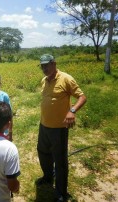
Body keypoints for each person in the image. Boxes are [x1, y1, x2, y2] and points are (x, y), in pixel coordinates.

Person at [36, 54, 87, 202]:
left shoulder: (66, 79)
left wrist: (72, 111)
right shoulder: (44, 81)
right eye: (42, 66)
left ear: (54, 64)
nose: (44, 68)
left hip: (59, 128)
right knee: (43, 152)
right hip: (44, 125)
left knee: (60, 161)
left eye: (47, 65)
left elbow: (82, 97)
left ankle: (60, 192)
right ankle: (47, 177)